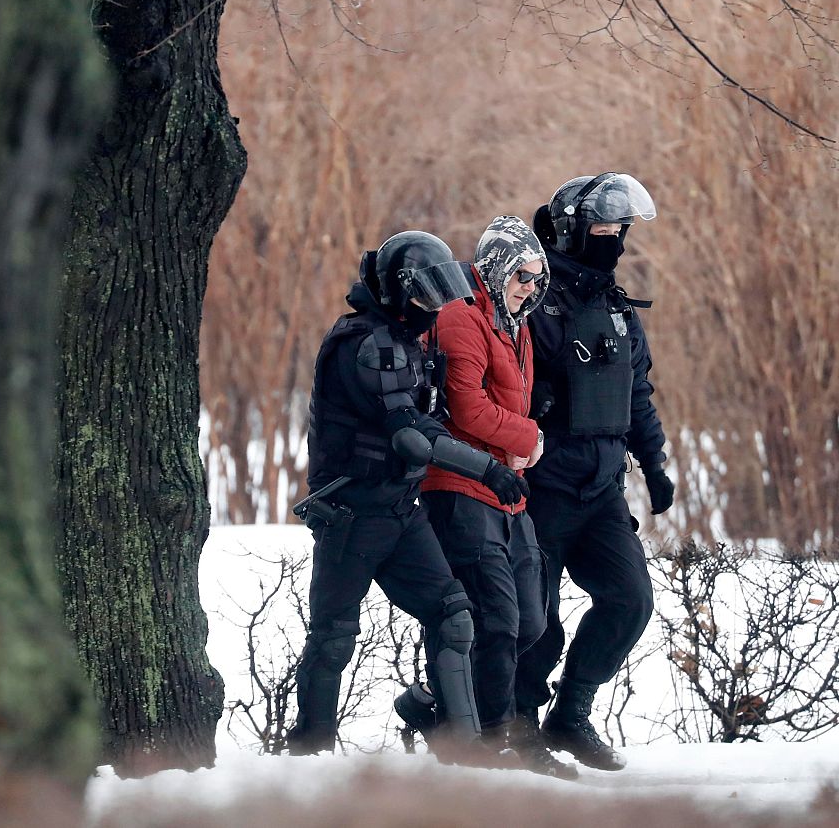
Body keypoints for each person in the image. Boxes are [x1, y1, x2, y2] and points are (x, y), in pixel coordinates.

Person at [288, 230, 529, 761]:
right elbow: (410, 435)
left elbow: (428, 418)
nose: (431, 310)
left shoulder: (405, 340)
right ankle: (309, 758)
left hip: (399, 508)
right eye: (423, 298)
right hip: (351, 513)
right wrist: (486, 468)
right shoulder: (366, 342)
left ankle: (464, 753)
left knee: (453, 615)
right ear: (399, 293)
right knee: (333, 637)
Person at [392, 216, 577, 779]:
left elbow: (509, 404)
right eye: (523, 274)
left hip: (507, 489)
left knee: (531, 623)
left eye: (538, 278)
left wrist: (523, 437)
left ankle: (434, 711)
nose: (531, 287)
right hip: (460, 487)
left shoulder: (512, 318)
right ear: (497, 266)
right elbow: (466, 408)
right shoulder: (461, 317)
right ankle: (486, 740)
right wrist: (530, 439)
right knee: (492, 618)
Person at [513, 174, 674, 771]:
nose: (614, 241)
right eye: (604, 230)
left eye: (620, 231)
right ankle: (519, 723)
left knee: (629, 600)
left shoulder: (616, 306)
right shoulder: (533, 300)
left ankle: (571, 711)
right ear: (571, 230)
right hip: (542, 485)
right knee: (538, 619)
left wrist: (653, 463)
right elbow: (503, 380)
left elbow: (637, 394)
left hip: (604, 488)